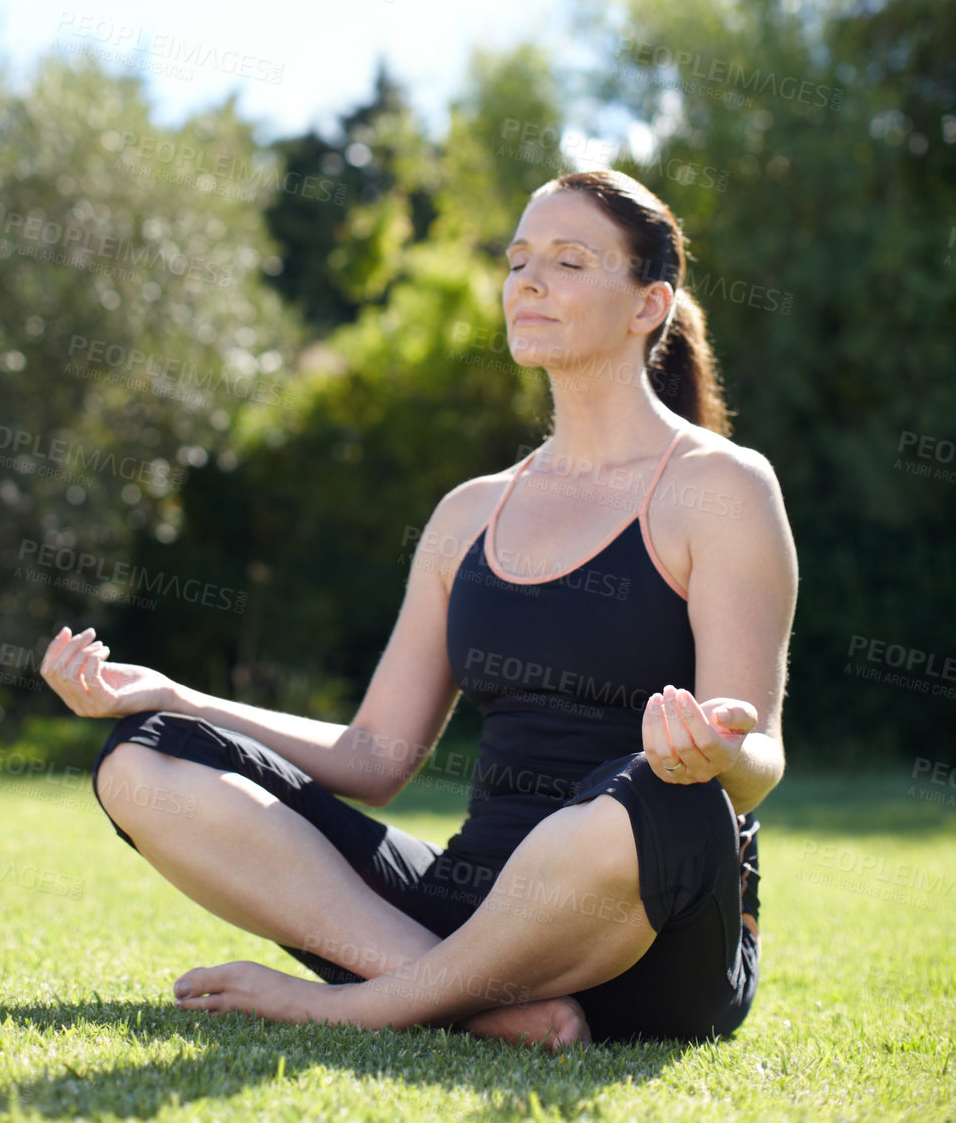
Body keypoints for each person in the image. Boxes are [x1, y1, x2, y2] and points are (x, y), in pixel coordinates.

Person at [41, 168, 797, 1050]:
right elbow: (372, 758)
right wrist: (175, 696)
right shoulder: (468, 513)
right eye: (518, 262)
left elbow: (759, 758)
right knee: (146, 759)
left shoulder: (721, 486)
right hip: (463, 911)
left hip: (650, 929)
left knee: (661, 792)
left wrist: (712, 754)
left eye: (569, 260)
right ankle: (481, 1007)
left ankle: (361, 1005)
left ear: (646, 305)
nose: (530, 282)